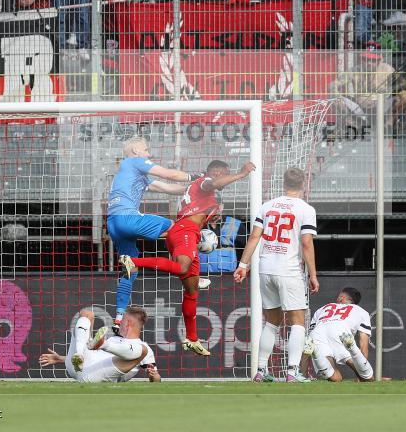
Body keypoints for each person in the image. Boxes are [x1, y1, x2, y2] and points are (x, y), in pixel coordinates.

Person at [121, 160, 256, 357]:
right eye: (220, 173)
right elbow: (216, 183)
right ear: (214, 172)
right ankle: (134, 262)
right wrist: (241, 174)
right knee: (182, 267)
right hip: (185, 230)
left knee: (191, 291)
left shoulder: (207, 196)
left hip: (190, 234)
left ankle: (192, 338)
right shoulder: (204, 182)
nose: (221, 177)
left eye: (224, 173)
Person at [234, 167, 319, 383]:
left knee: (271, 322)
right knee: (297, 321)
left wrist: (243, 265)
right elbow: (306, 242)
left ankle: (261, 370)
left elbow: (254, 237)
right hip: (289, 270)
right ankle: (292, 371)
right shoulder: (305, 209)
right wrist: (313, 274)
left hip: (265, 269)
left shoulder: (267, 206)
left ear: (283, 184)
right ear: (304, 184)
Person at [106, 137, 194, 329]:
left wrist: (195, 189)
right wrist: (197, 177)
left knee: (131, 268)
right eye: (146, 150)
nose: (149, 154)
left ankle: (119, 317)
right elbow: (170, 175)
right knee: (178, 229)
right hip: (127, 218)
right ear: (136, 151)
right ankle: (186, 271)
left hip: (113, 224)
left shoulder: (132, 173)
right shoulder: (134, 161)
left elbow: (169, 188)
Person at [39, 307, 161, 383]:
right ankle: (79, 353)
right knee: (87, 314)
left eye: (122, 319)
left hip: (94, 376)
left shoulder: (144, 348)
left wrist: (153, 376)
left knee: (143, 350)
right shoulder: (114, 339)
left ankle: (103, 345)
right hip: (77, 366)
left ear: (128, 323)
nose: (118, 322)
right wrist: (61, 359)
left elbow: (157, 380)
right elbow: (95, 357)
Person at [302, 286, 374, 382]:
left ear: (342, 298)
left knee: (335, 378)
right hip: (340, 332)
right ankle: (352, 349)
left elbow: (309, 342)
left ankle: (317, 354)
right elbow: (363, 345)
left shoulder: (322, 308)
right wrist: (360, 375)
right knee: (368, 378)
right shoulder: (361, 311)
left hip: (317, 332)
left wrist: (303, 375)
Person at [330, 42, 395, 130]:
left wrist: (384, 91)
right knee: (337, 100)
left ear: (380, 60)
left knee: (402, 96)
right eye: (365, 59)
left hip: (382, 107)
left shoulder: (388, 69)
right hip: (360, 108)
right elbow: (333, 85)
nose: (368, 63)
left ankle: (388, 125)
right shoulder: (355, 70)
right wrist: (337, 96)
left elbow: (402, 86)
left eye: (372, 60)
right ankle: (353, 125)